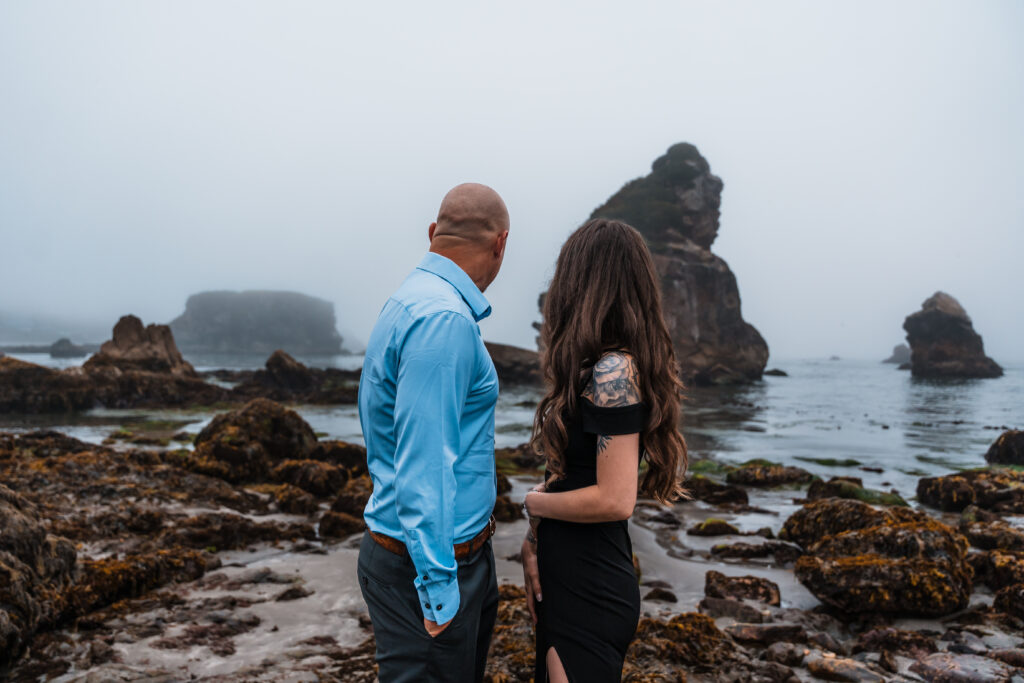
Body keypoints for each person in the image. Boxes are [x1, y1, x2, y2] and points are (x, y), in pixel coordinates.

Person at [520, 218, 688, 683]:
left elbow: (615, 499)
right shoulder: (600, 368)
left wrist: (532, 503)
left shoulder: (614, 370)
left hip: (589, 586)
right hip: (570, 576)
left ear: (581, 281)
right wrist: (534, 538)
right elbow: (581, 478)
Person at [357, 183, 510, 682]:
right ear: (500, 243)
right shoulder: (443, 319)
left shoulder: (411, 299)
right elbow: (424, 460)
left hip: (428, 557)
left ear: (432, 233)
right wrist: (440, 590)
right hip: (430, 569)